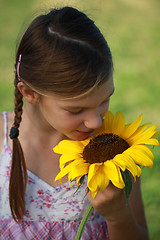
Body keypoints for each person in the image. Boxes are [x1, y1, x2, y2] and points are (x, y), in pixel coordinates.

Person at [0, 6, 149, 240]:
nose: (95, 121)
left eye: (105, 100)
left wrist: (118, 216)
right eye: (76, 109)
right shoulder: (2, 146)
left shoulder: (117, 150)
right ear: (29, 93)